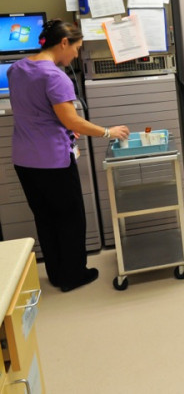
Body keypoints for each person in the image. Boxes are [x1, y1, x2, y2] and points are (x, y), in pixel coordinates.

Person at [9, 19, 130, 292]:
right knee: (70, 217)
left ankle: (56, 274)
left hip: (24, 160)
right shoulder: (54, 76)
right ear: (64, 42)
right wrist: (108, 131)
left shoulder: (17, 69)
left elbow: (37, 112)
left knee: (45, 218)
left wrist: (63, 127)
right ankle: (74, 275)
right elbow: (73, 122)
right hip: (52, 161)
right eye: (76, 48)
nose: (76, 55)